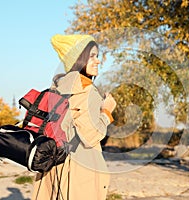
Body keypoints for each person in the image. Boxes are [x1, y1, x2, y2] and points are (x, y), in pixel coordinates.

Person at [31, 34, 117, 200]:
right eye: (92, 56)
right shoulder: (87, 90)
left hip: (52, 167)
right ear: (78, 59)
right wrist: (107, 111)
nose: (98, 61)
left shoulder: (56, 88)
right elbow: (91, 135)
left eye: (97, 56)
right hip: (79, 171)